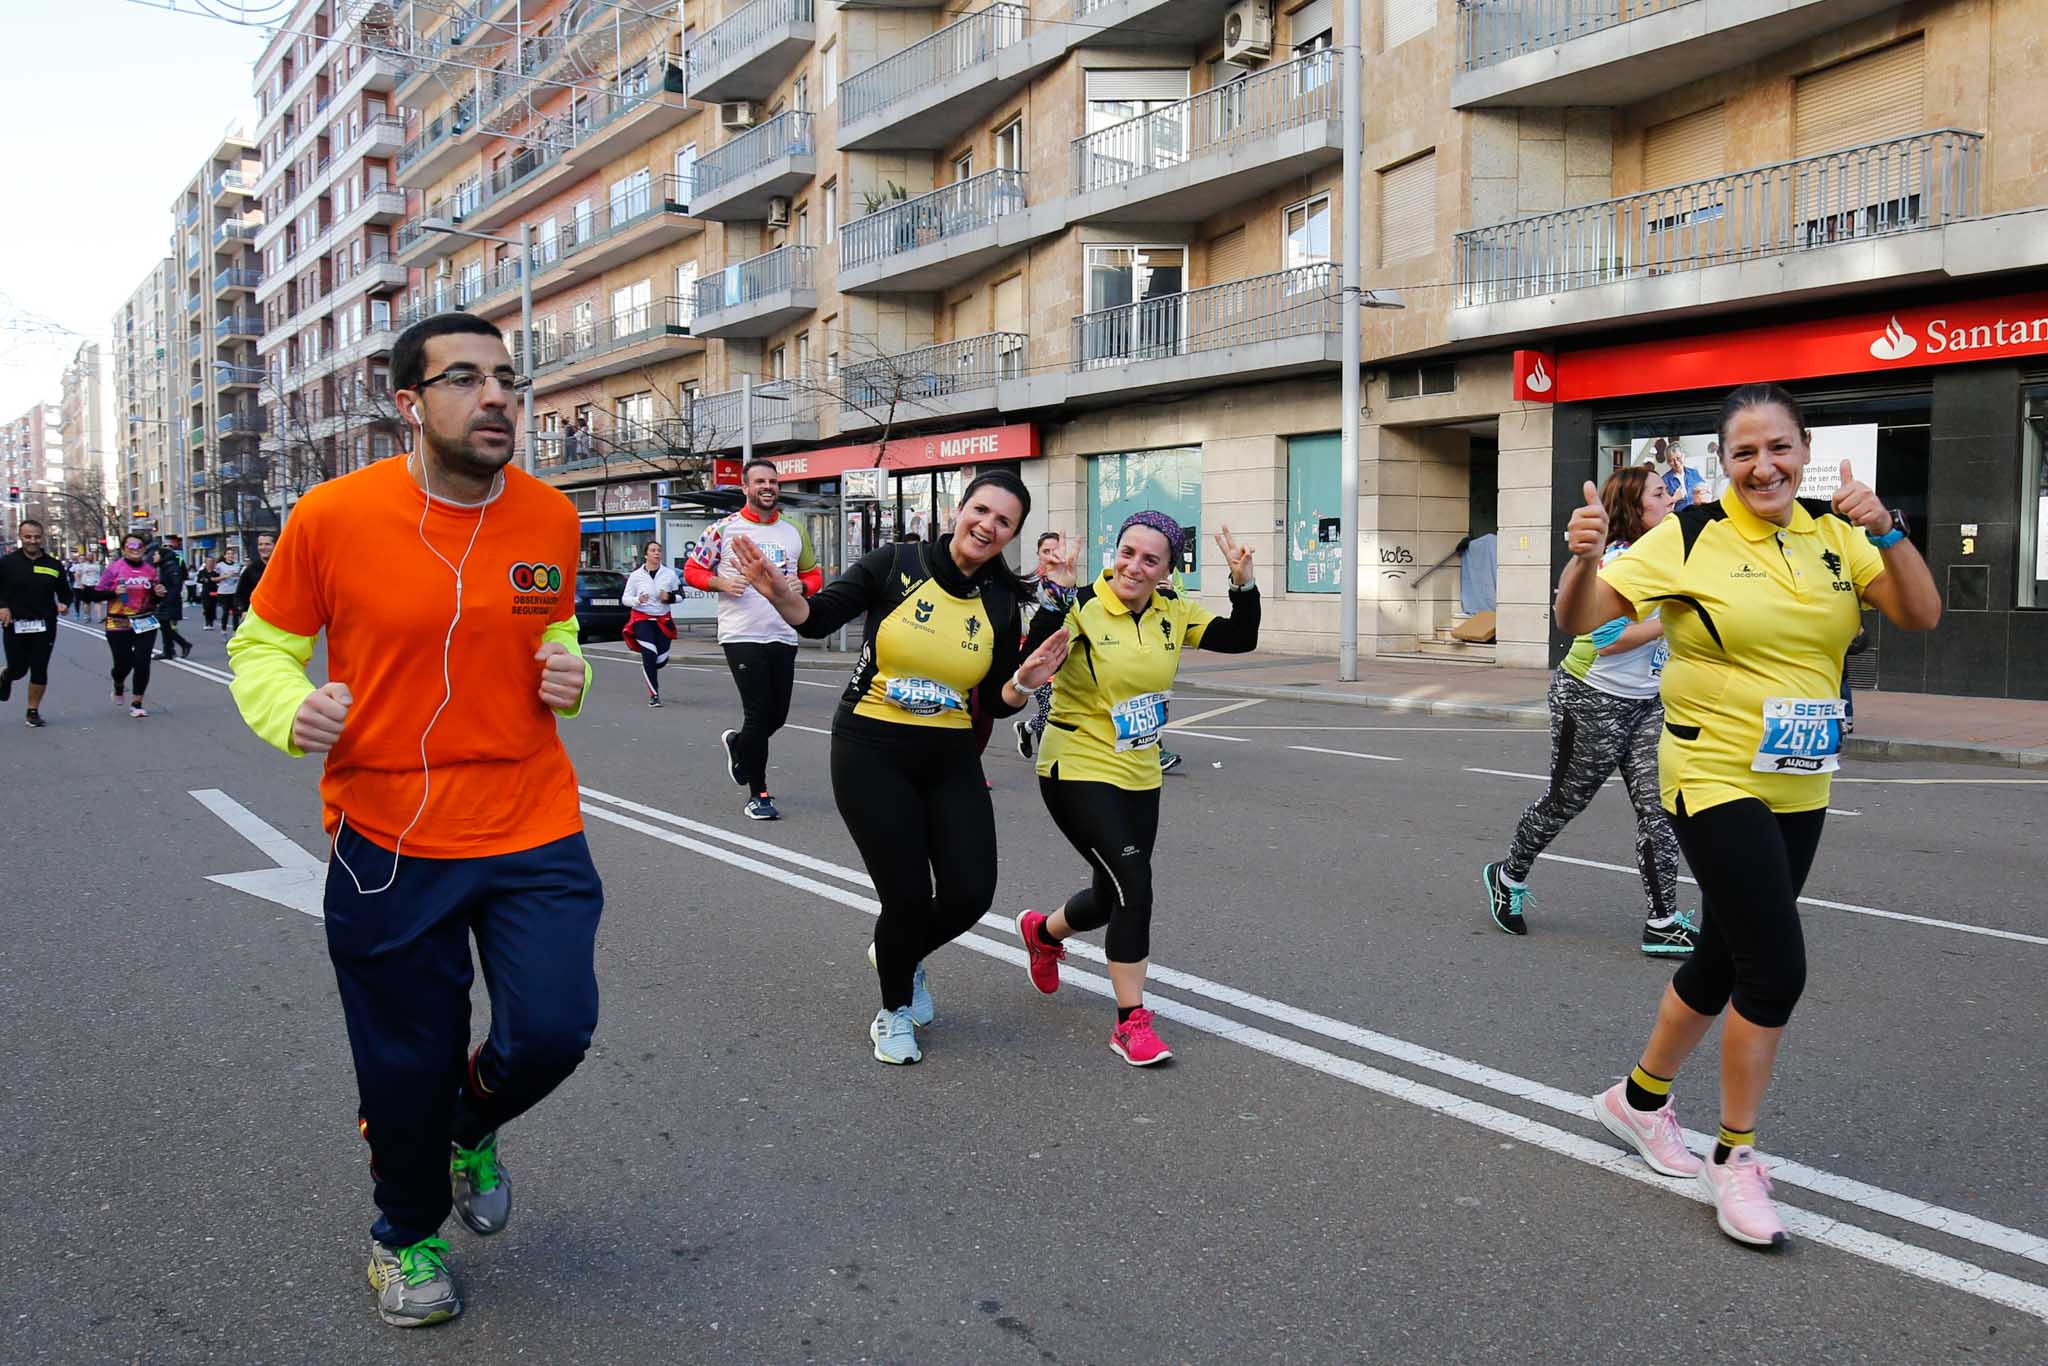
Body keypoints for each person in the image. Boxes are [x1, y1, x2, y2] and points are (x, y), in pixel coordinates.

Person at [226, 312, 602, 1329]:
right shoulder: (332, 516)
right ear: (410, 404)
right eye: (466, 380)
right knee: (404, 1055)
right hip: (388, 834)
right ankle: (406, 1234)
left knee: (556, 1028)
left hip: (530, 820)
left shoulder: (550, 518)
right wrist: (283, 705)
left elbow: (547, 624)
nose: (495, 398)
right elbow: (262, 644)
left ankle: (466, 1122)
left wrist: (568, 669)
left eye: (507, 381)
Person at [1558, 383, 1939, 1249]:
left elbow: (1920, 612)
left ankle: (1639, 1100)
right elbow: (1582, 625)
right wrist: (1583, 561)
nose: (1764, 465)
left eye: (1779, 448)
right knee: (1776, 967)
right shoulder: (1687, 536)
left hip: (1801, 772)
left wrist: (1888, 527)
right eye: (1744, 452)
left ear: (1805, 451)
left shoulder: (1839, 532)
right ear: (1721, 463)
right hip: (1709, 768)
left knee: (1725, 954)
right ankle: (1735, 1159)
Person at [728, 470, 1070, 1065]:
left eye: (1004, 522)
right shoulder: (895, 563)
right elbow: (817, 617)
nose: (987, 526)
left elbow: (992, 700)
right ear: (959, 510)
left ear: (1012, 535)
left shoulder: (998, 600)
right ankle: (893, 1009)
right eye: (981, 511)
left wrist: (1021, 683)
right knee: (907, 898)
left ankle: (897, 950)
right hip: (871, 751)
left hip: (950, 754)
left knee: (969, 895)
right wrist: (778, 591)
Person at [1014, 514, 1261, 1066]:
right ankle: (1131, 1022)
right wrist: (1054, 593)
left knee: (1111, 893)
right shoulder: (1082, 603)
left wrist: (1242, 584)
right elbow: (1032, 655)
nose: (1134, 566)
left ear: (1167, 569)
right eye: (1127, 552)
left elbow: (1240, 638)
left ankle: (1043, 932)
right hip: (1075, 762)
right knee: (1135, 886)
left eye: (1151, 559)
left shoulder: (1174, 611)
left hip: (1138, 768)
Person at [1482, 467, 1695, 957]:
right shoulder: (1616, 561)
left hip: (1647, 704)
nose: (1672, 499)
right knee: (1566, 802)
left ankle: (1662, 922)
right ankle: (1508, 874)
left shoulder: (1672, 558)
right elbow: (1608, 639)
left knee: (1659, 809)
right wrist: (1671, 619)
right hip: (1592, 698)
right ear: (1634, 509)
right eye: (1660, 494)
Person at [684, 458, 821, 820]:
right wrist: (720, 582)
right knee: (759, 714)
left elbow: (813, 573)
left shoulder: (794, 531)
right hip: (741, 632)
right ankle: (758, 794)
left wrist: (803, 585)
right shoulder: (723, 530)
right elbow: (692, 570)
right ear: (745, 487)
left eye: (773, 481)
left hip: (783, 632)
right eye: (759, 481)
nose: (768, 487)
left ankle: (738, 743)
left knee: (778, 715)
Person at [0, 519, 73, 727]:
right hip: (15, 623)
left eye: (37, 537)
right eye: (28, 537)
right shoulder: (7, 563)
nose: (33, 541)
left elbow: (66, 594)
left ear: (42, 538)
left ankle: (32, 711)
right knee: (19, 669)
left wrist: (65, 604)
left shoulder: (53, 565)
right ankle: (6, 675)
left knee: (40, 668)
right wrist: (2, 606)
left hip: (45, 624)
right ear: (21, 537)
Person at [92, 534, 167, 718]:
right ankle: (118, 684)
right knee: (123, 663)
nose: (135, 549)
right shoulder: (114, 569)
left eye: (139, 546)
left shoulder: (150, 570)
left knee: (142, 661)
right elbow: (96, 594)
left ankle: (137, 702)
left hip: (144, 620)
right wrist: (113, 593)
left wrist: (159, 593)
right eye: (130, 546)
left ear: (143, 549)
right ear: (124, 549)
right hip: (119, 621)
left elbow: (154, 596)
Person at [1012, 530, 1066, 762]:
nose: (1052, 556)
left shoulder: (1069, 584)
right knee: (1050, 709)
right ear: (1038, 554)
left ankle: (1027, 728)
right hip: (1035, 659)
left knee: (1058, 710)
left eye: (1056, 551)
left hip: (1063, 659)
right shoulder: (1027, 587)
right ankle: (1049, 762)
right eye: (1046, 551)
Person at [622, 537, 679, 705]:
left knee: (660, 660)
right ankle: (654, 696)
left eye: (659, 551)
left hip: (663, 620)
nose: (657, 553)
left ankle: (650, 666)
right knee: (649, 654)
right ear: (645, 555)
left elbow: (681, 595)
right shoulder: (636, 576)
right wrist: (637, 600)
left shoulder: (669, 574)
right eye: (653, 551)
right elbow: (625, 598)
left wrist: (669, 597)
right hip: (642, 619)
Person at [154, 536, 194, 661]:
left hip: (170, 601)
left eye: (156, 554)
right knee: (164, 625)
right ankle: (168, 650)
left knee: (164, 625)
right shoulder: (164, 566)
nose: (153, 556)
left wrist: (167, 599)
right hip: (166, 600)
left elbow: (176, 585)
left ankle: (183, 644)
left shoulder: (172, 566)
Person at [233, 531, 274, 624]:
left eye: (267, 544)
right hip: (256, 620)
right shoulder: (251, 570)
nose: (263, 547)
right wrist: (243, 611)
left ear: (276, 546)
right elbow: (239, 595)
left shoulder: (285, 568)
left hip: (281, 621)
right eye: (260, 544)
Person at [1660, 441, 1710, 507]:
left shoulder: (1694, 473)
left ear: (1683, 456)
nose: (1676, 463)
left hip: (1697, 513)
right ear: (1668, 462)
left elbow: (1705, 491)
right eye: (1671, 460)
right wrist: (1674, 499)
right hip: (1678, 515)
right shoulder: (1664, 480)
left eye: (1678, 458)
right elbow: (1661, 505)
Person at [214, 549, 246, 634]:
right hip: (223, 592)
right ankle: (223, 629)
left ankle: (235, 630)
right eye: (228, 554)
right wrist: (225, 576)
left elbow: (239, 577)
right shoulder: (219, 565)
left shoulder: (237, 565)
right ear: (224, 556)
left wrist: (238, 577)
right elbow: (214, 578)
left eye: (232, 554)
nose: (230, 555)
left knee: (236, 612)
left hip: (234, 591)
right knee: (226, 612)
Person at [69, 555, 97, 619]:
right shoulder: (75, 566)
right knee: (77, 600)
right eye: (80, 558)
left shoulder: (87, 566)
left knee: (86, 600)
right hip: (77, 586)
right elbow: (71, 572)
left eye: (83, 558)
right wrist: (73, 580)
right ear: (78, 559)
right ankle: (77, 612)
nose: (82, 560)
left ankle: (86, 614)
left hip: (85, 585)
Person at [198, 554, 222, 629]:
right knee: (206, 607)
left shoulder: (216, 572)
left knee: (212, 606)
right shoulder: (202, 571)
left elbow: (219, 580)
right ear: (205, 562)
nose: (210, 563)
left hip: (214, 591)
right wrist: (204, 580)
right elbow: (199, 580)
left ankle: (211, 623)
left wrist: (210, 580)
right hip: (205, 591)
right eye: (208, 561)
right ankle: (207, 622)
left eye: (211, 562)